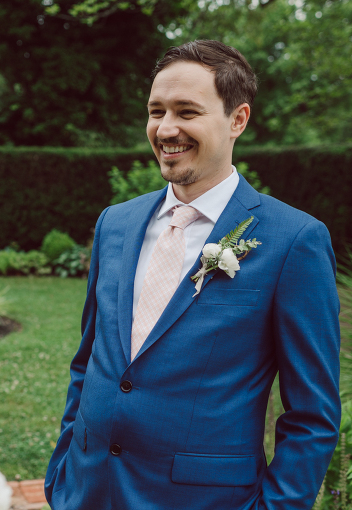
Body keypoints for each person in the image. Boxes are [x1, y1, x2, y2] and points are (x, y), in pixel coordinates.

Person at [45, 40, 340, 509]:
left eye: (186, 112)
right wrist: (61, 474)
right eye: (156, 110)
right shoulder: (114, 224)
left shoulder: (294, 241)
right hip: (85, 490)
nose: (166, 129)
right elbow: (89, 362)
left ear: (237, 120)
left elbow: (312, 416)